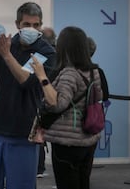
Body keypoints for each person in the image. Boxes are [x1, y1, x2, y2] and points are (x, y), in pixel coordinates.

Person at [0, 2, 56, 189]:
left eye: (36, 25)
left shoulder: (46, 52)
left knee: (21, 185)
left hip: (24, 132)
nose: (32, 29)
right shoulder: (9, 44)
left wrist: (7, 55)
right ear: (18, 24)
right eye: (27, 25)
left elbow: (26, 81)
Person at [30, 26, 102, 189]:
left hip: (67, 143)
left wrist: (42, 76)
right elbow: (99, 96)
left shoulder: (69, 73)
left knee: (67, 183)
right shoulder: (93, 71)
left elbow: (57, 104)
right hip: (88, 139)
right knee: (83, 182)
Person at [37, 26, 56, 178]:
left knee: (39, 136)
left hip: (44, 101)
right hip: (59, 103)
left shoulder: (42, 56)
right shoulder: (62, 56)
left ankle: (39, 167)